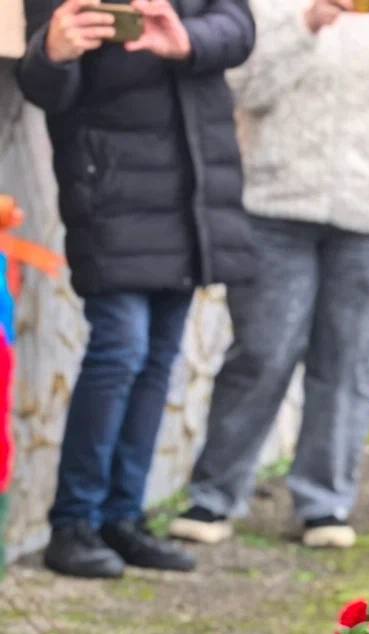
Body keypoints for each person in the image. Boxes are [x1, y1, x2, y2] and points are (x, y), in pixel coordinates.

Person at [168, 0, 369, 550]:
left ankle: (324, 504)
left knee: (351, 362)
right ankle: (213, 496)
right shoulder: (271, 7)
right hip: (274, 208)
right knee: (261, 353)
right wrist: (304, 23)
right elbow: (240, 87)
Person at [18, 0, 255, 579]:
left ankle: (123, 518)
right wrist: (55, 50)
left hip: (190, 190)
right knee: (120, 350)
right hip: (111, 185)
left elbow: (240, 26)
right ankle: (73, 524)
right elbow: (44, 83)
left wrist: (186, 39)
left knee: (157, 359)